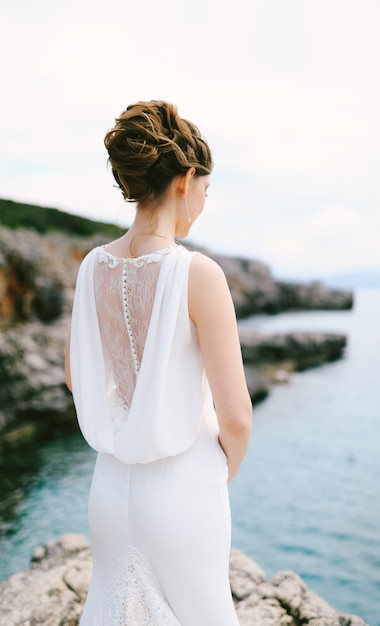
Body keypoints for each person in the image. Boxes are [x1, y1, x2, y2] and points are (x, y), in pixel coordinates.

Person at [65, 100, 252, 625]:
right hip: (183, 485)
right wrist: (219, 471)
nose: (203, 202)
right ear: (185, 179)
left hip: (109, 488)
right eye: (205, 191)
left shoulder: (91, 268)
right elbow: (236, 417)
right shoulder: (198, 273)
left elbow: (77, 378)